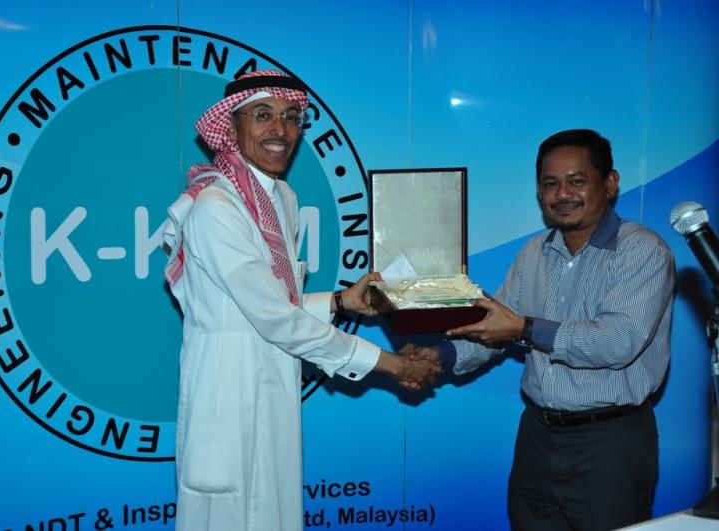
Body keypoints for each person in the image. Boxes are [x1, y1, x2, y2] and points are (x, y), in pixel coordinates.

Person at [162, 69, 439, 531]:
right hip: (227, 393)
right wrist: (390, 364)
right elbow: (273, 318)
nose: (281, 130)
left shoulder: (282, 197)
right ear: (232, 126)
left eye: (291, 117)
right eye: (263, 115)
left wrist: (339, 302)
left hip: (275, 383)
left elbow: (273, 302)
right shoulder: (216, 207)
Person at [408, 129, 675, 530]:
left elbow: (618, 342)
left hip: (610, 442)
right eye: (550, 184)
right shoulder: (535, 251)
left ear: (610, 183)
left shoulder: (642, 250)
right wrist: (441, 356)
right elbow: (497, 326)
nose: (562, 194)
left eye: (576, 181)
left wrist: (524, 329)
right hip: (537, 436)